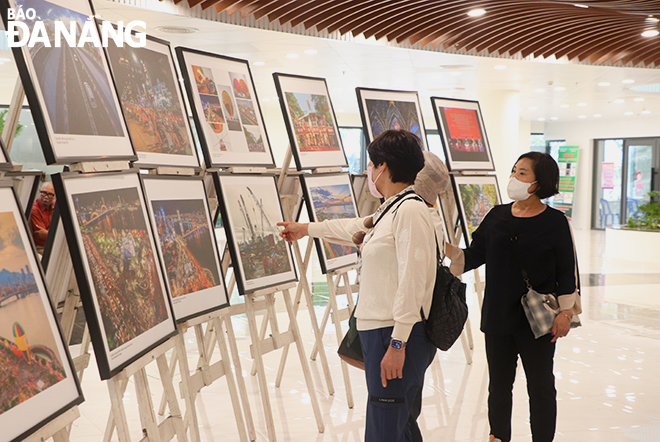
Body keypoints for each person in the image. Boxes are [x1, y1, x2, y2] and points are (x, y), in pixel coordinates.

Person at [278, 130, 440, 442]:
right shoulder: (392, 208)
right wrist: (306, 229)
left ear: (384, 166)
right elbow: (354, 226)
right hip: (379, 331)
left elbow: (413, 281)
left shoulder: (410, 210)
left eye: (371, 164)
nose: (369, 171)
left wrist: (397, 343)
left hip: (392, 334)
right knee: (397, 426)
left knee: (384, 428)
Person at [445, 152, 581, 442]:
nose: (513, 178)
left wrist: (566, 313)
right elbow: (473, 256)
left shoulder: (556, 222)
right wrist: (449, 252)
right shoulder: (496, 215)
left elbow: (568, 271)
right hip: (498, 315)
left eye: (521, 174)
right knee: (499, 385)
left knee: (541, 385)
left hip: (537, 320)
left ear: (538, 183)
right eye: (513, 171)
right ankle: (498, 436)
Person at [30, 182, 56, 253]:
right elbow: (41, 235)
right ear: (39, 191)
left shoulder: (56, 206)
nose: (46, 197)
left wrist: (47, 233)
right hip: (41, 248)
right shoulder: (34, 209)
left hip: (55, 244)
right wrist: (51, 232)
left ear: (55, 196)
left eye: (50, 194)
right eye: (43, 193)